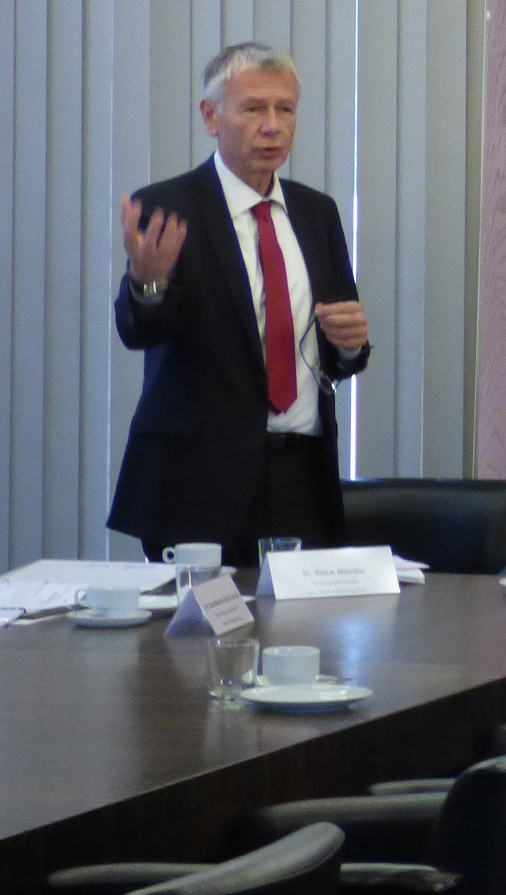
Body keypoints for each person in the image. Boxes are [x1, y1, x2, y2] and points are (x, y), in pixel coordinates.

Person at [109, 43, 371, 569]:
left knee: (302, 621)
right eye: (253, 109)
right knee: (198, 624)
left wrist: (349, 346)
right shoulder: (169, 208)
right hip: (197, 480)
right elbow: (141, 332)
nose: (273, 126)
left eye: (285, 109)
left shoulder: (317, 213)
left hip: (301, 475)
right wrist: (148, 284)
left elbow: (340, 350)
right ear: (211, 116)